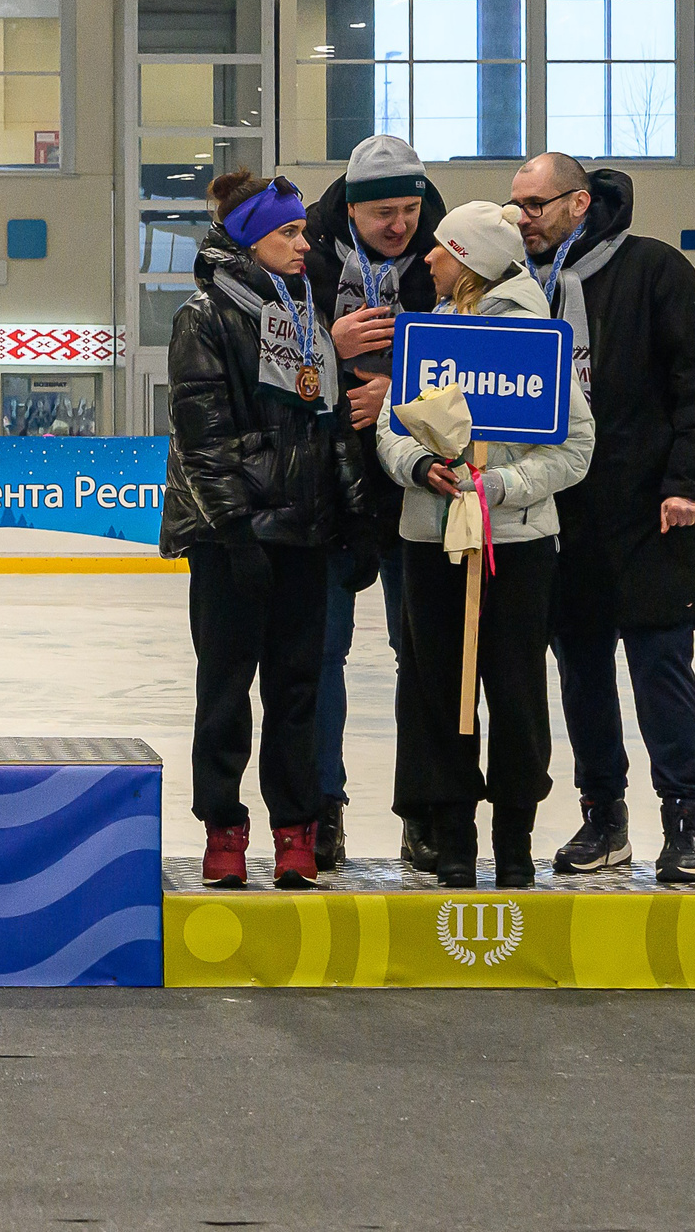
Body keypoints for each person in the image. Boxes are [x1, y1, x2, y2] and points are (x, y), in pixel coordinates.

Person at [510, 152, 695, 882]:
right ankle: (604, 814)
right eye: (516, 204)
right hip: (562, 516)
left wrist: (689, 481)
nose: (521, 217)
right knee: (581, 675)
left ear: (578, 203)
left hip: (650, 513)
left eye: (535, 203)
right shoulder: (520, 286)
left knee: (661, 666)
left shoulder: (655, 270)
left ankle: (685, 814)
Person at [376, 202, 593, 890]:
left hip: (518, 547)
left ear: (467, 259)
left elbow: (577, 444)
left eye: (440, 249)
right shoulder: (428, 334)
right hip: (431, 542)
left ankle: (514, 837)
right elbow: (390, 427)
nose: (427, 259)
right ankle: (452, 836)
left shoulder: (537, 338)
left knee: (516, 687)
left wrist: (501, 485)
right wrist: (419, 465)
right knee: (439, 689)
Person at [161, 170, 368, 890]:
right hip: (232, 542)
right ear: (251, 237)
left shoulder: (306, 319)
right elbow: (203, 438)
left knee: (297, 690)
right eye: (289, 232)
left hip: (304, 535)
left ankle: (294, 830)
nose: (304, 245)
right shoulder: (204, 317)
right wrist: (236, 533)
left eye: (304, 232)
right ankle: (223, 825)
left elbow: (333, 427)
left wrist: (354, 514)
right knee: (225, 688)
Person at [302, 133, 445, 871]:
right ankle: (322, 809)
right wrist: (328, 342)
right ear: (353, 208)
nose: (401, 225)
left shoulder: (451, 261)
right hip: (330, 486)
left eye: (410, 209)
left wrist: (404, 395)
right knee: (322, 653)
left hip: (415, 483)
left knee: (418, 654)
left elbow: (486, 365)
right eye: (384, 212)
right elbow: (264, 364)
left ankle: (423, 811)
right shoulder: (306, 259)